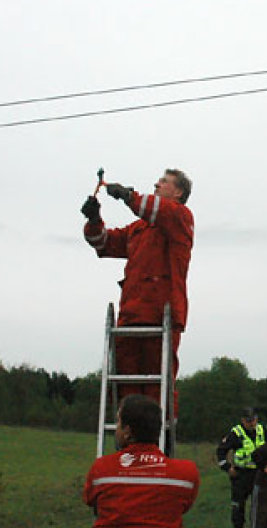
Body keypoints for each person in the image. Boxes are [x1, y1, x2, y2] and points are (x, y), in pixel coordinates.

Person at [81, 169, 194, 408]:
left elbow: (154, 208)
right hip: (131, 316)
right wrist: (94, 221)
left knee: (157, 386)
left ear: (178, 192)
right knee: (126, 387)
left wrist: (128, 195)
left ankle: (157, 442)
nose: (157, 183)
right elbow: (104, 244)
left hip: (162, 316)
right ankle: (131, 439)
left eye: (164, 182)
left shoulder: (181, 217)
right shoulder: (138, 229)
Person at [83, 394, 200, 528]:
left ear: (128, 431)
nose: (116, 430)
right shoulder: (186, 474)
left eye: (118, 423)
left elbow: (90, 500)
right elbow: (184, 506)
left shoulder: (101, 470)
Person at [215, 408, 267, 528]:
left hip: (259, 474)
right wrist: (227, 467)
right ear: (242, 420)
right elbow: (221, 451)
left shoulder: (261, 430)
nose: (252, 423)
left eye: (253, 420)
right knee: (238, 507)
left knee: (261, 506)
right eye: (248, 421)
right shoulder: (236, 433)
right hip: (241, 475)